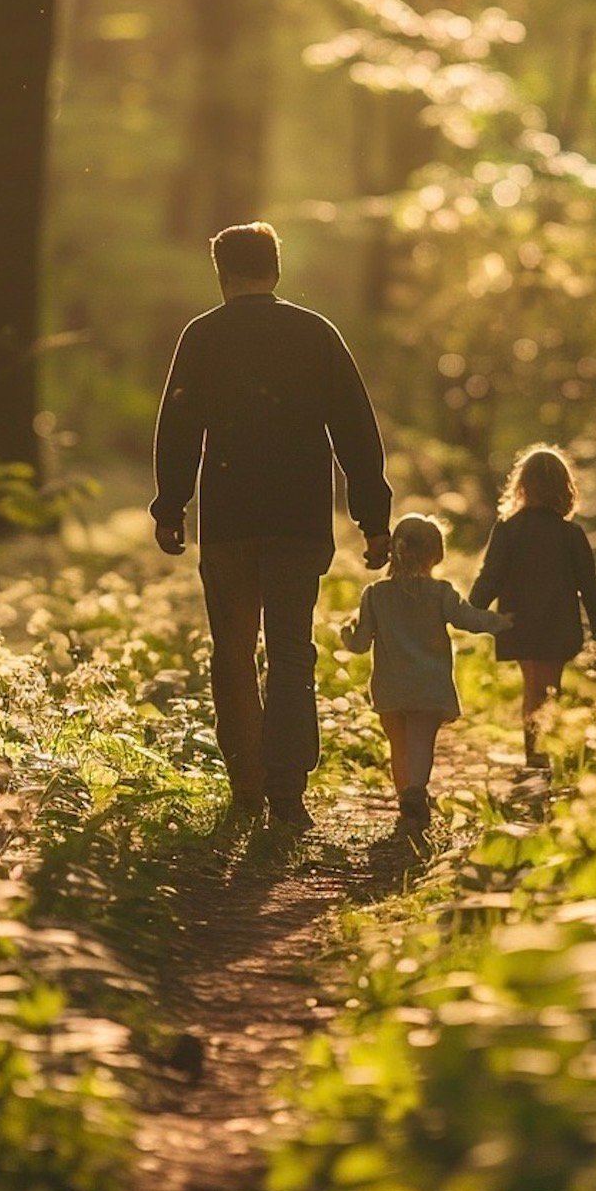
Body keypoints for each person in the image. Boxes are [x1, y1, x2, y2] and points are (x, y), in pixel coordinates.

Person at [151, 221, 392, 829]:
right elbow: (356, 431)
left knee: (232, 653)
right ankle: (288, 795)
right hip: (298, 519)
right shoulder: (315, 334)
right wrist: (374, 519)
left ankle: (246, 790)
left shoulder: (202, 337)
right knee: (291, 653)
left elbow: (177, 427)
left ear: (222, 274)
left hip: (229, 521)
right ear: (276, 270)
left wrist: (171, 505)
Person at [343, 514, 511, 832]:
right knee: (421, 743)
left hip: (391, 688)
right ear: (436, 555)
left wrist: (345, 632)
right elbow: (468, 619)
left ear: (393, 552)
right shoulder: (441, 593)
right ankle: (415, 792)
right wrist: (499, 622)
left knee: (398, 745)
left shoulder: (375, 595)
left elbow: (359, 643)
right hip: (429, 686)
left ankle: (405, 801)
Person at [469, 444, 596, 768]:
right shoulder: (570, 534)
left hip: (518, 621)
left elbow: (491, 575)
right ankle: (542, 754)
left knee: (533, 687)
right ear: (564, 489)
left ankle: (536, 754)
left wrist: (472, 611)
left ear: (522, 486)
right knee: (548, 689)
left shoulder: (508, 529)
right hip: (557, 622)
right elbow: (590, 585)